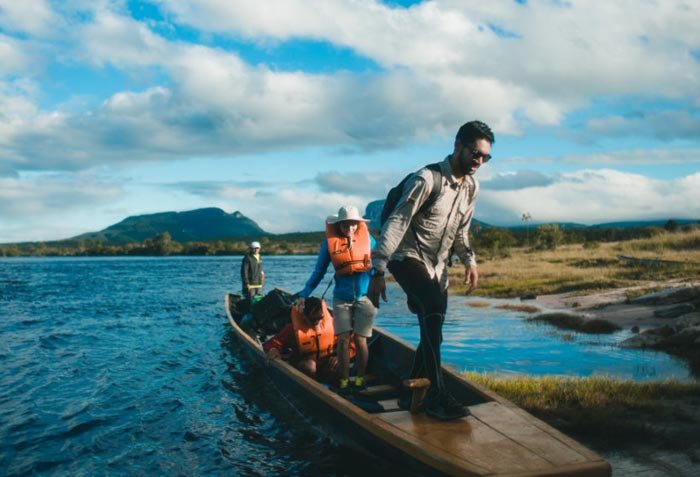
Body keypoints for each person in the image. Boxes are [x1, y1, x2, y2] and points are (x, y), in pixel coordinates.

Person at [368, 120, 495, 420]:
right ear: (458, 146)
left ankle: (408, 395)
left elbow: (462, 231)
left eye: (485, 157)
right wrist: (378, 269)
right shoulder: (426, 179)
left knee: (433, 327)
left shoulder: (471, 188)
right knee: (434, 308)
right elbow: (397, 222)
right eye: (475, 153)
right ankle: (438, 396)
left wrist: (469, 261)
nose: (479, 161)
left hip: (437, 266)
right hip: (405, 256)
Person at [296, 205, 377, 394]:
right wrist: (304, 293)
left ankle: (359, 379)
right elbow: (319, 272)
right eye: (345, 225)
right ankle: (343, 381)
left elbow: (379, 266)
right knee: (342, 339)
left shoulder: (370, 241)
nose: (350, 229)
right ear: (339, 225)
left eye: (354, 225)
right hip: (341, 298)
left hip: (365, 298)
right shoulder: (328, 244)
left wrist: (377, 291)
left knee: (360, 339)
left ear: (358, 224)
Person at [263, 297, 353, 382]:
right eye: (313, 319)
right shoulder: (292, 329)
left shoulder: (333, 325)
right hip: (304, 364)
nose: (316, 322)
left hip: (326, 364)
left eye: (319, 318)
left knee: (340, 364)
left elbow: (351, 343)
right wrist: (273, 349)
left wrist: (341, 357)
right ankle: (313, 387)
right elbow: (271, 343)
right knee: (310, 365)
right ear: (304, 316)